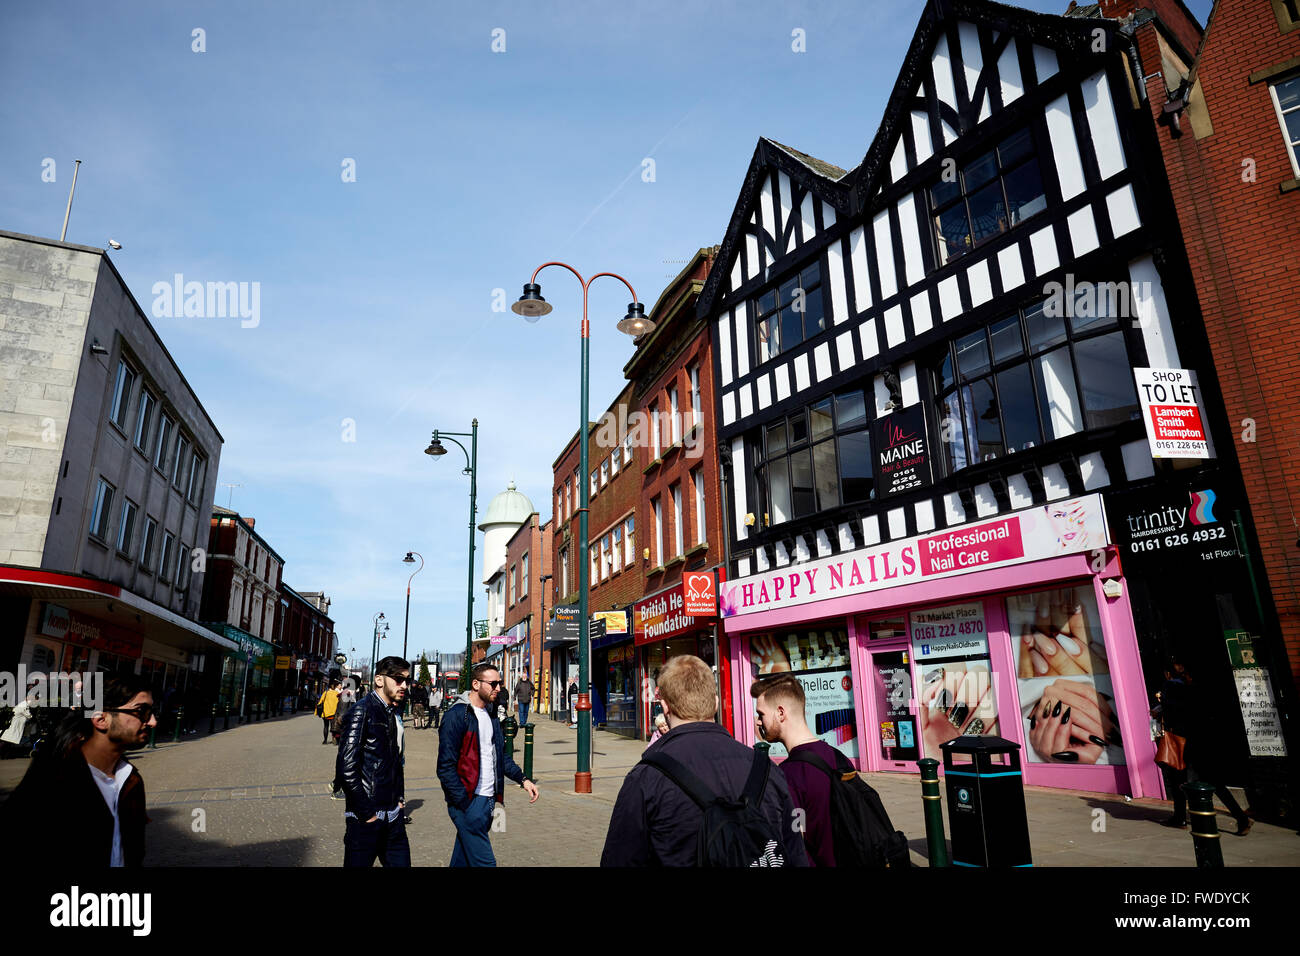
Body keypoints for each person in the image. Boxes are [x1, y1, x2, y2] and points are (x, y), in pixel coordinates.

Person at [600, 655, 808, 867]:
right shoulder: (767, 769)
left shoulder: (646, 777)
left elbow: (618, 859)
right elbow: (795, 852)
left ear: (664, 706)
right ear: (716, 703)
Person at [0, 672, 156, 866]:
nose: (152, 722)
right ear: (100, 719)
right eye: (142, 711)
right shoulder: (55, 783)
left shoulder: (131, 780)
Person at [436, 662, 539, 867]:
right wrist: (464, 803)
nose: (498, 688)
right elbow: (445, 766)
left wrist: (523, 779)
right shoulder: (457, 715)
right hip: (469, 800)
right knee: (486, 863)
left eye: (499, 683)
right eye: (493, 684)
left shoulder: (491, 715)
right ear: (476, 684)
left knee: (463, 859)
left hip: (489, 799)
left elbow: (499, 756)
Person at [751, 673, 846, 866]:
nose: (758, 722)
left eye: (761, 714)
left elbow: (794, 842)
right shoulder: (838, 757)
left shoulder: (788, 774)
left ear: (780, 713)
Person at [335, 657, 411, 867]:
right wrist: (367, 814)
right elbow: (346, 767)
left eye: (406, 680)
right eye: (398, 679)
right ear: (379, 680)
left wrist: (400, 799)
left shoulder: (391, 712)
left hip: (393, 817)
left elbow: (395, 761)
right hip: (365, 820)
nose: (404, 685)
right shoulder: (362, 711)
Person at [316, 680, 340, 745]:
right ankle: (334, 740)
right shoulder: (337, 694)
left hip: (325, 713)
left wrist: (317, 712)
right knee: (334, 727)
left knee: (326, 726)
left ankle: (325, 740)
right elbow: (339, 703)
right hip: (333, 713)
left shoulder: (325, 693)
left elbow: (320, 702)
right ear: (335, 687)